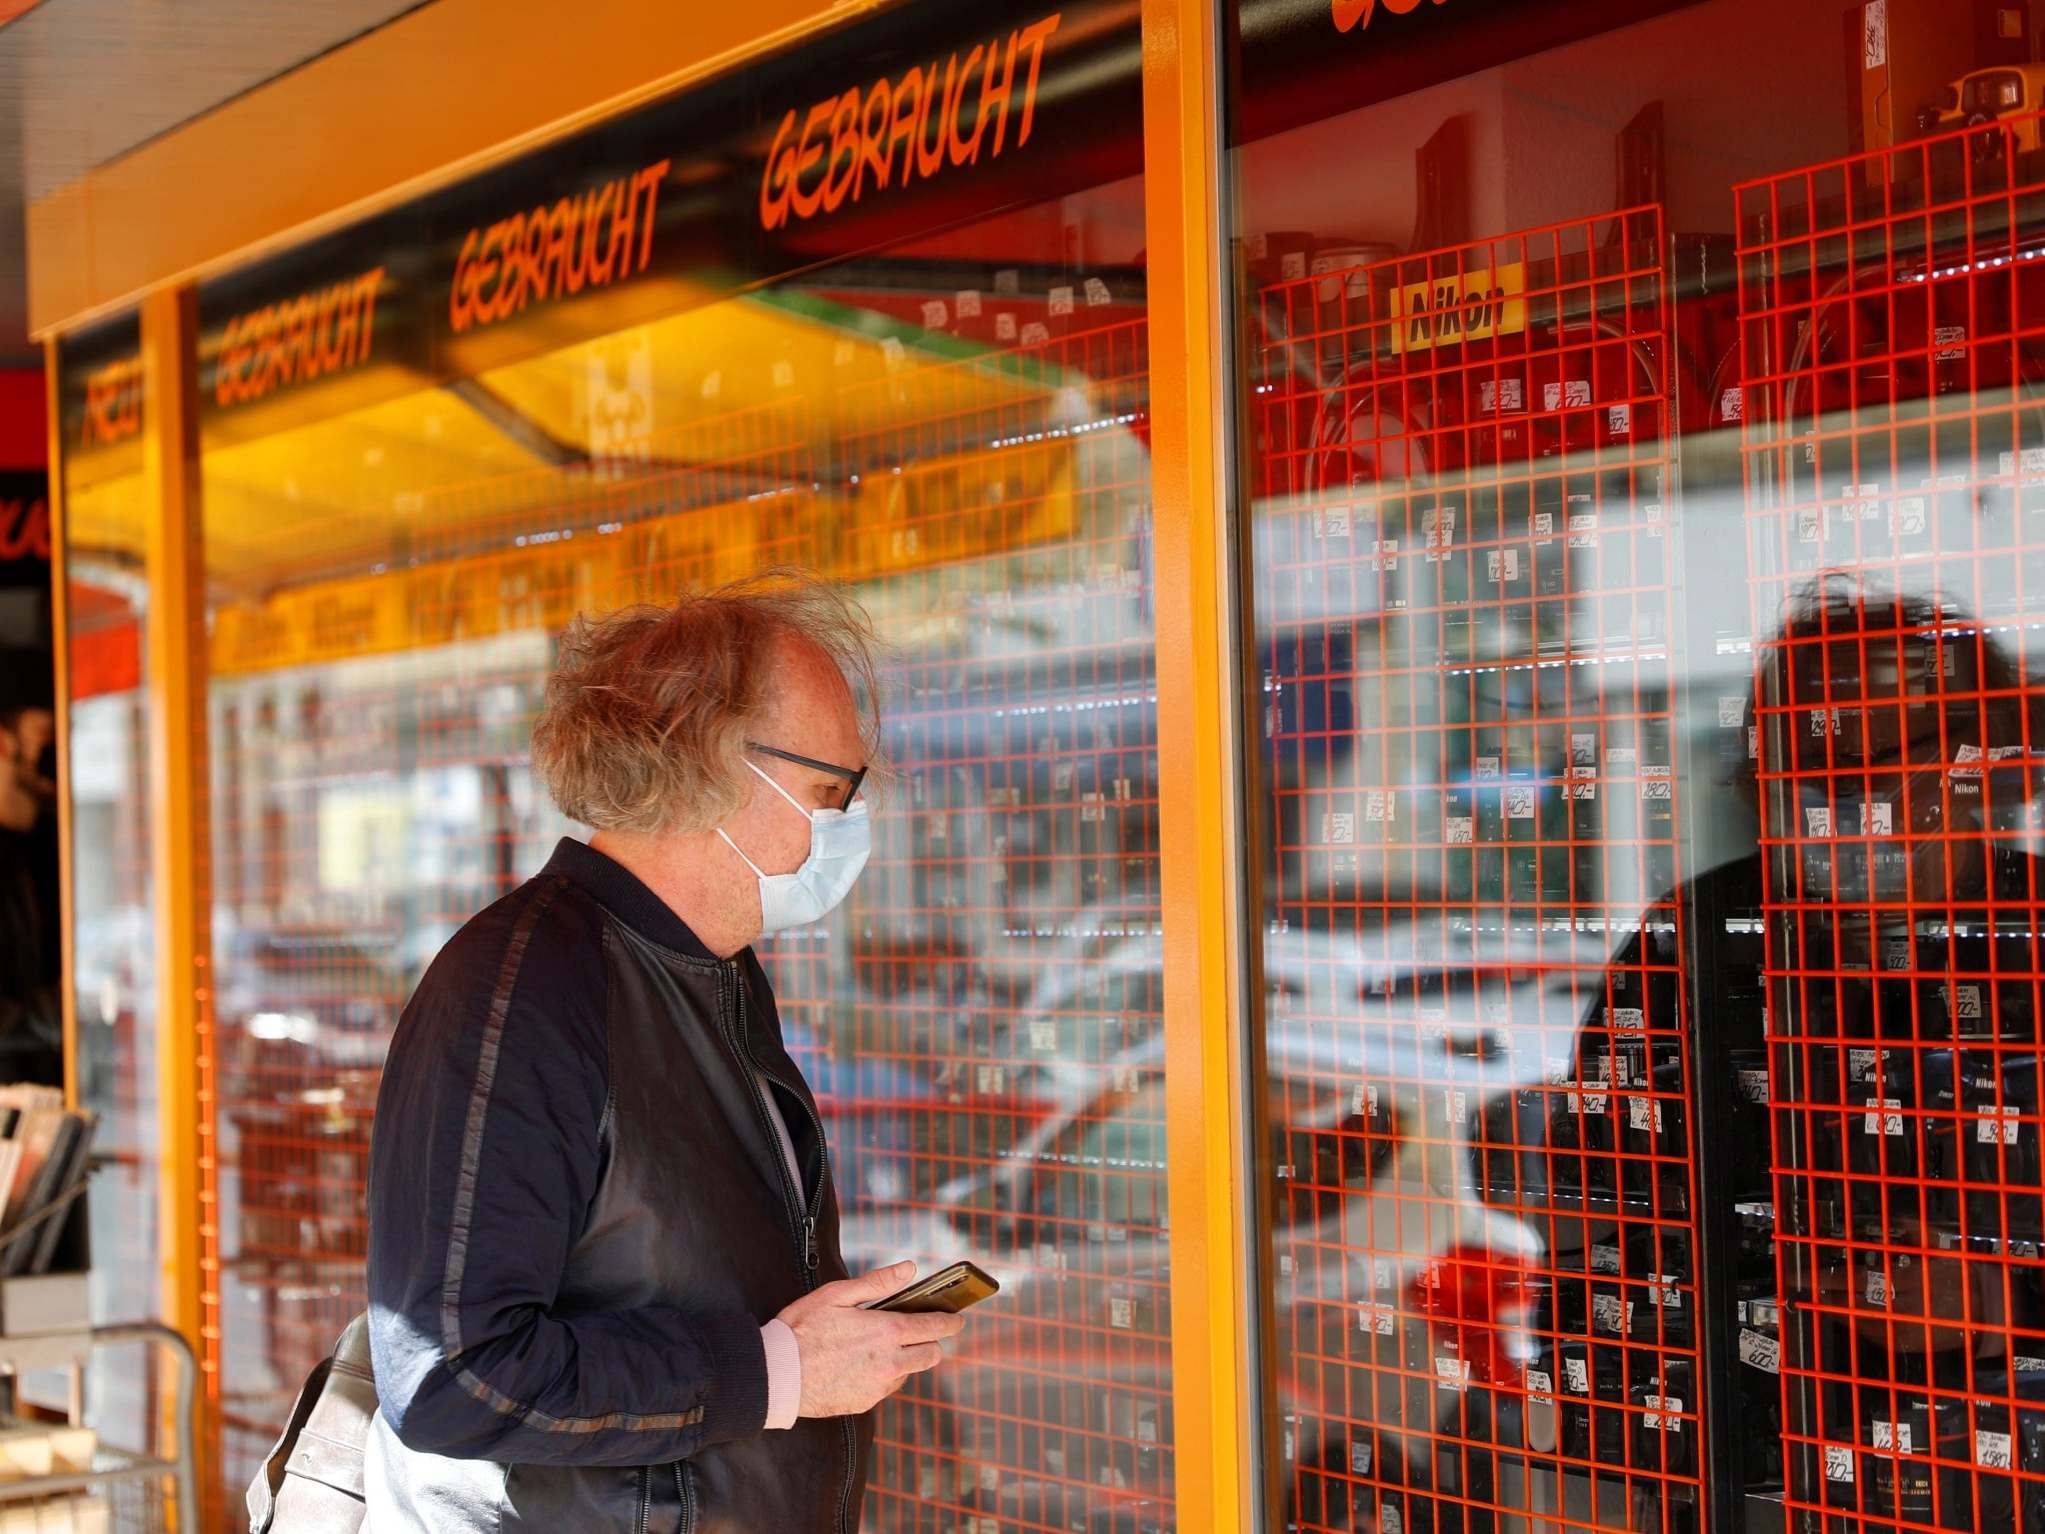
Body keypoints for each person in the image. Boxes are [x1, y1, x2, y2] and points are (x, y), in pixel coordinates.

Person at [364, 574, 966, 1532]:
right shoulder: (525, 988)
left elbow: (673, 1276)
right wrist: (780, 1373)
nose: (847, 825)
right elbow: (452, 1377)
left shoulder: (709, 970)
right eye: (828, 791)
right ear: (716, 761)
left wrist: (817, 1337)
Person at [0, 651, 60, 1086]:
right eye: (46, 734)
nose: (56, 753)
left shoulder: (49, 847)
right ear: (5, 743)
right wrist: (58, 1013)